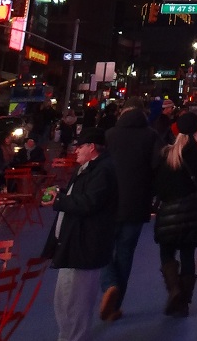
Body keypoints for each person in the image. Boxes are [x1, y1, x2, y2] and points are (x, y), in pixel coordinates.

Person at [47, 127, 119, 341]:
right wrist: (61, 194)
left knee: (73, 303)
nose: (76, 150)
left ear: (92, 147)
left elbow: (90, 202)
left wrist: (59, 201)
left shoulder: (101, 170)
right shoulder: (92, 168)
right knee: (67, 301)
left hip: (82, 246)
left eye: (80, 146)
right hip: (76, 244)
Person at [151, 109, 197, 316]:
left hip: (170, 212)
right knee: (188, 254)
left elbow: (159, 186)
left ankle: (174, 290)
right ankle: (184, 303)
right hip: (194, 213)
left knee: (167, 252)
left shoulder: (168, 154)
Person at [99, 104, 159, 322]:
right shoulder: (151, 136)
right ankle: (116, 304)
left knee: (103, 249)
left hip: (109, 202)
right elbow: (157, 167)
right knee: (125, 254)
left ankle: (109, 285)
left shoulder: (110, 135)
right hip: (137, 204)